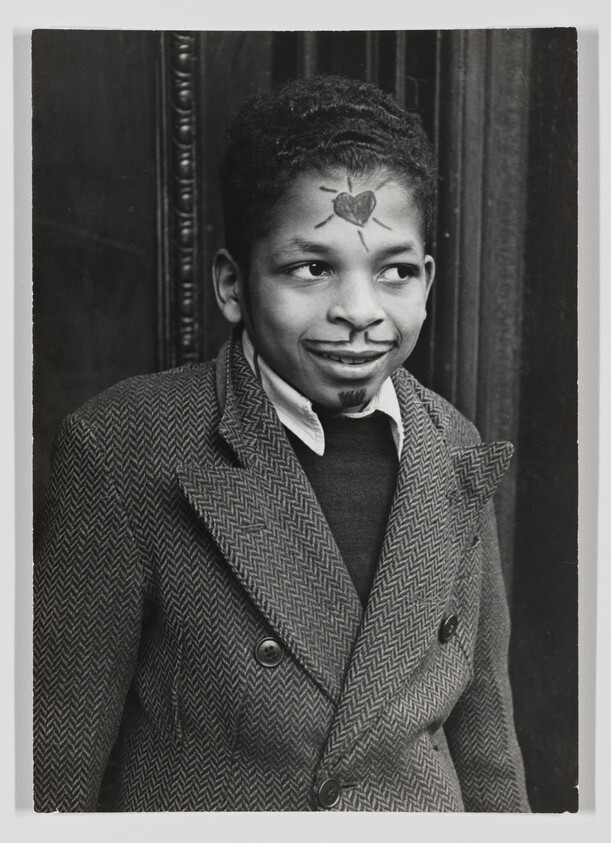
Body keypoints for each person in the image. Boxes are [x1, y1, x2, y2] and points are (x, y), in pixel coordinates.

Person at [34, 75, 530, 812]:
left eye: (393, 271)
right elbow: (53, 764)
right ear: (234, 286)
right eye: (312, 268)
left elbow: (487, 747)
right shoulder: (127, 447)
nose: (360, 311)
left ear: (426, 281)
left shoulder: (451, 444)